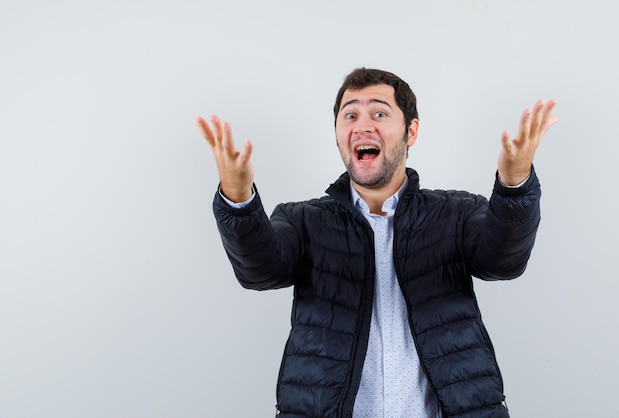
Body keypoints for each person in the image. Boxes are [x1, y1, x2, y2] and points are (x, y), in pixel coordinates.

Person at [197, 68, 558, 418]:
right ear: (338, 134)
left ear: (410, 131)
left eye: (379, 112)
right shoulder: (301, 220)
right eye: (349, 114)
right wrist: (238, 197)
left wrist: (513, 184)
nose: (362, 125)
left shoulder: (457, 213)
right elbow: (260, 271)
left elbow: (502, 261)